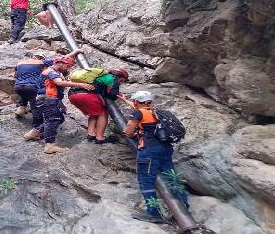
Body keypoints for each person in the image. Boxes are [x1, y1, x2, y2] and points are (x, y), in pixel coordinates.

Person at [120, 90, 189, 224]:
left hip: (149, 150)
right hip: (166, 148)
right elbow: (139, 109)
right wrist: (124, 100)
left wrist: (131, 134)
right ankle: (183, 206)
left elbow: (128, 130)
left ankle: (154, 213)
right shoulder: (155, 112)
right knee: (171, 177)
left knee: (146, 179)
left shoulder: (138, 113)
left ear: (136, 101)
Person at [23, 56, 95, 154]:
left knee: (58, 119)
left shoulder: (52, 71)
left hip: (47, 98)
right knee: (53, 120)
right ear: (60, 63)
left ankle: (34, 133)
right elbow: (59, 82)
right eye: (67, 66)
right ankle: (49, 146)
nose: (67, 69)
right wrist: (80, 85)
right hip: (49, 98)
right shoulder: (51, 72)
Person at [13, 49, 85, 126]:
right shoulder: (41, 62)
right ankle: (37, 127)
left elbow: (15, 75)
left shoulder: (19, 63)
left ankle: (21, 108)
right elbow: (62, 59)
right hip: (32, 87)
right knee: (35, 106)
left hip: (18, 87)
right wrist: (75, 52)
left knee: (26, 92)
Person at [67, 69, 129, 144]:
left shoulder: (99, 76)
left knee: (94, 114)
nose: (122, 82)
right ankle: (99, 137)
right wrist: (119, 95)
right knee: (103, 114)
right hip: (86, 95)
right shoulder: (113, 79)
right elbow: (112, 95)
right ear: (120, 77)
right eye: (123, 80)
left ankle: (91, 134)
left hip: (72, 95)